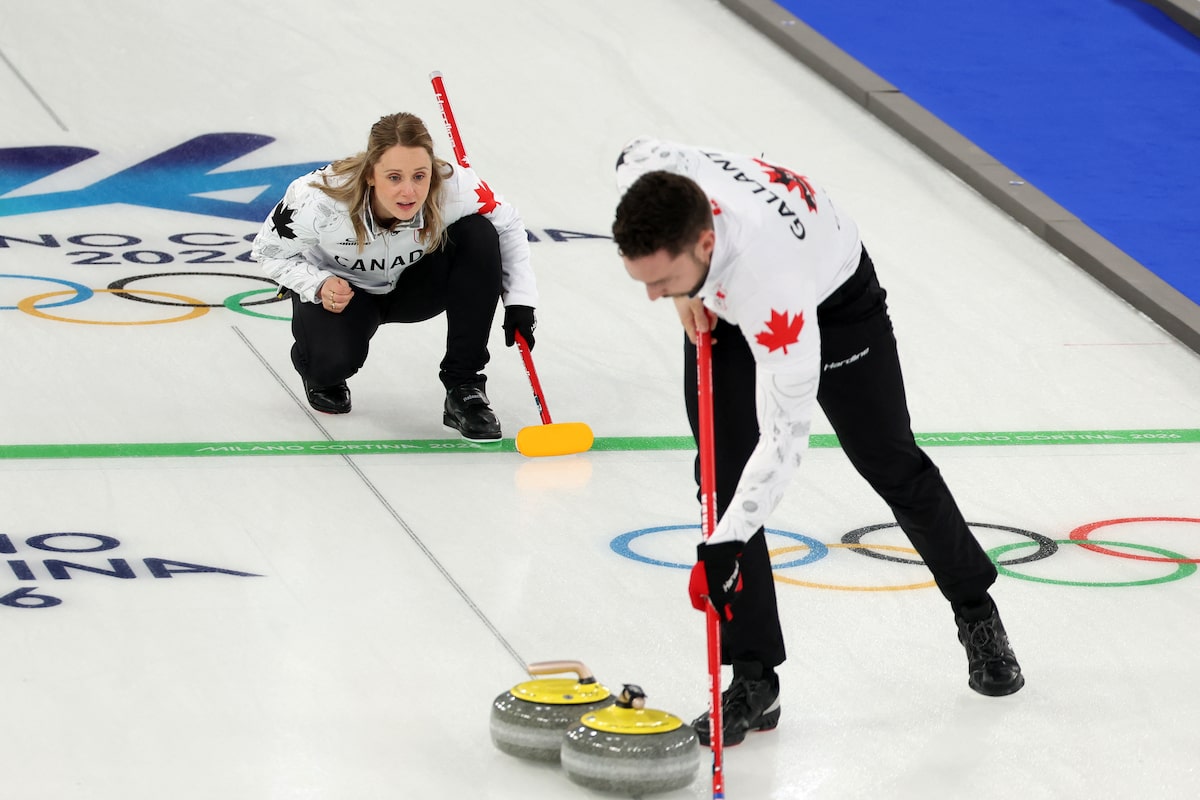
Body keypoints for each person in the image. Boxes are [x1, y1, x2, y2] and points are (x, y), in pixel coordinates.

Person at [611, 137, 1023, 747]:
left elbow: (783, 441)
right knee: (721, 478)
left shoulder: (770, 284)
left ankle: (976, 612)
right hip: (725, 287)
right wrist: (684, 291)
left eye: (663, 281)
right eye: (646, 282)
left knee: (888, 458)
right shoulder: (646, 178)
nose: (653, 295)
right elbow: (628, 152)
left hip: (833, 300)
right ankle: (754, 678)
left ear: (702, 243)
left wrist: (725, 546)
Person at [251, 112, 537, 441]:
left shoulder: (455, 187)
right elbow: (268, 251)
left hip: (413, 287)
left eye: (420, 176)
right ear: (370, 174)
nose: (409, 191)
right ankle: (319, 369)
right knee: (330, 364)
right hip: (344, 294)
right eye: (394, 177)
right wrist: (317, 284)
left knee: (479, 233)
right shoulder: (319, 199)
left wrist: (520, 300)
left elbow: (508, 224)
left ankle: (464, 387)